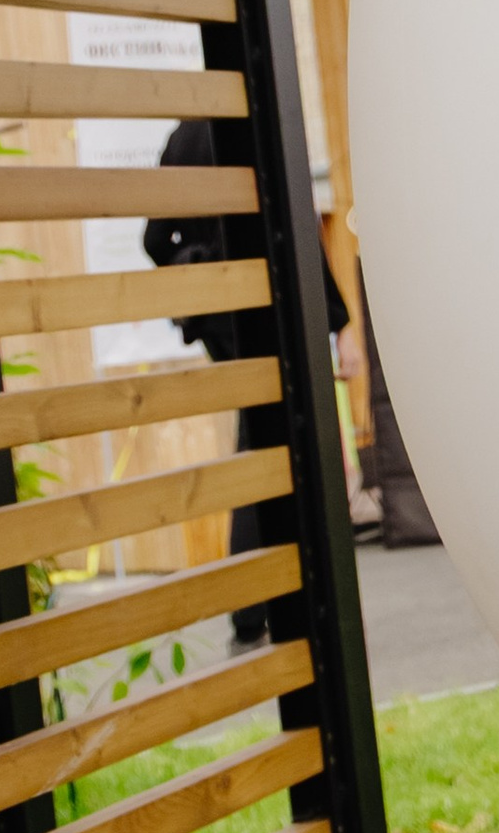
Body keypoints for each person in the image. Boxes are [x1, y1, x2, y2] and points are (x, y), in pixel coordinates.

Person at [145, 118, 356, 648]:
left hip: (217, 314)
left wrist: (198, 269)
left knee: (260, 442)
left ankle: (260, 605)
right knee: (283, 444)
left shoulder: (182, 140)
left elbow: (154, 239)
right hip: (271, 306)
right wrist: (341, 324)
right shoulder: (260, 123)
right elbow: (299, 229)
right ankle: (274, 604)